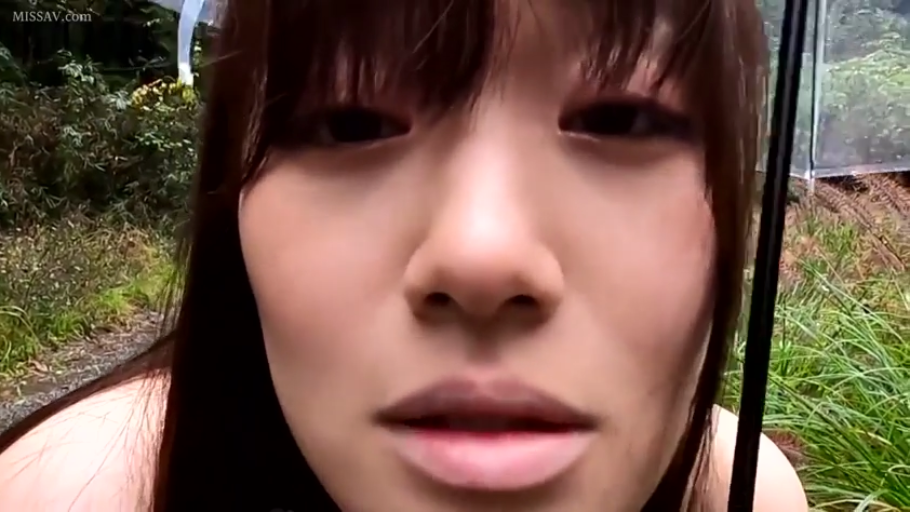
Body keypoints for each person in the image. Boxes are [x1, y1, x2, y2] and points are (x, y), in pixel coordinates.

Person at [0, 0, 809, 510]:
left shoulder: (745, 494)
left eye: (620, 120)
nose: (481, 255)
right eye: (350, 124)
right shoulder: (72, 493)